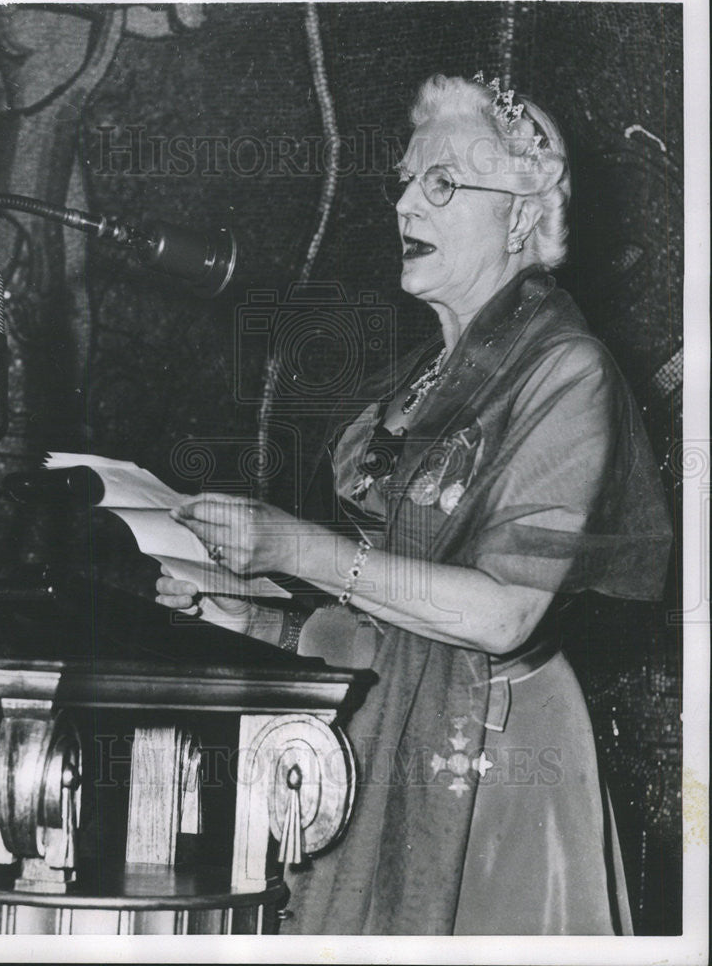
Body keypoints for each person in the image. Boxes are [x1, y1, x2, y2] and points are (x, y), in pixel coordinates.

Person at [156, 74, 672, 935]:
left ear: (517, 214)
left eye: (440, 185)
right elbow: (379, 623)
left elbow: (503, 614)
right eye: (403, 179)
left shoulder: (565, 372)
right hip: (385, 735)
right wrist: (236, 613)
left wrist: (293, 548)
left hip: (499, 763)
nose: (403, 202)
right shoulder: (411, 385)